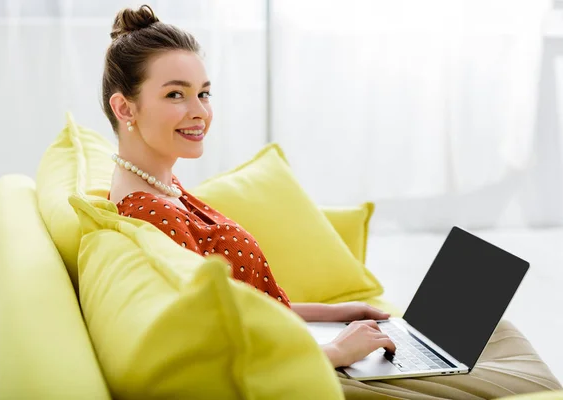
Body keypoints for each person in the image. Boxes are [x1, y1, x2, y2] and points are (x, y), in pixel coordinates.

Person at [104, 5, 561, 398]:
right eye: (175, 94)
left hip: (303, 347)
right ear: (125, 108)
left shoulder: (164, 190)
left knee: (479, 329)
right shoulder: (151, 212)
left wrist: (335, 313)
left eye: (204, 93)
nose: (200, 110)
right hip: (307, 374)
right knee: (490, 343)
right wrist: (337, 352)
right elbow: (215, 348)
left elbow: (245, 305)